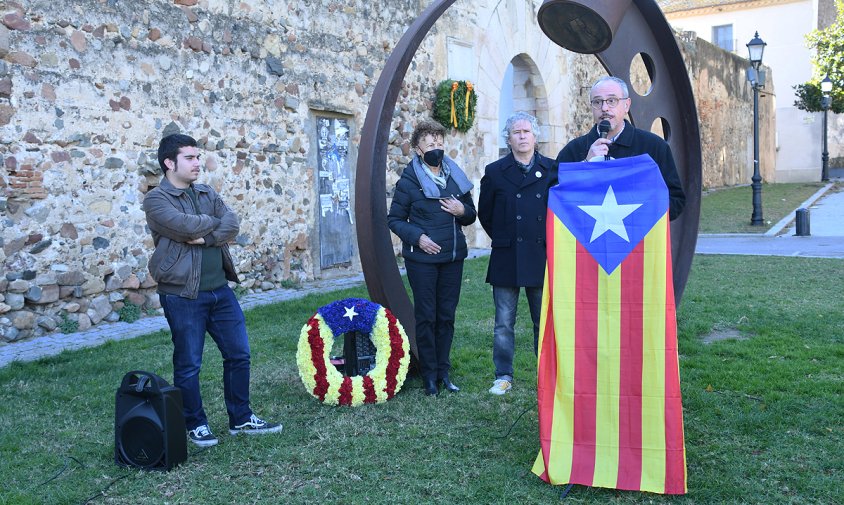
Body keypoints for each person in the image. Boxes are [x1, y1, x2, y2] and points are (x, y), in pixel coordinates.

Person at [143, 133, 281, 447]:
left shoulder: (206, 191)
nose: (197, 163)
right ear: (169, 163)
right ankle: (195, 424)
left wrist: (205, 236)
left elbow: (231, 223)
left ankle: (241, 418)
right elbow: (182, 226)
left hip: (220, 290)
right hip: (182, 294)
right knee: (189, 362)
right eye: (190, 157)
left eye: (197, 156)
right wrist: (210, 224)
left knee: (239, 354)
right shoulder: (156, 200)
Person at [387, 119, 477, 396]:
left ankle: (443, 372)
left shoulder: (455, 177)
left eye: (439, 143)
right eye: (430, 144)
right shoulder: (409, 181)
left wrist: (461, 210)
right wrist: (417, 237)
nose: (436, 148)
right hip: (422, 261)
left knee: (446, 316)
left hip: (452, 257)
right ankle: (428, 375)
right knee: (427, 316)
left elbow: (471, 215)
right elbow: (394, 219)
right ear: (417, 149)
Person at [478, 112, 558, 396]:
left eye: (526, 131)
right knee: (503, 323)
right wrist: (505, 237)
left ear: (535, 136)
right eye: (516, 132)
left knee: (543, 321)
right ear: (508, 138)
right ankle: (503, 375)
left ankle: (546, 375)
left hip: (541, 255)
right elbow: (485, 213)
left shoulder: (552, 170)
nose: (522, 136)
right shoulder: (495, 171)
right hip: (507, 254)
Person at [557, 76, 686, 220]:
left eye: (612, 101)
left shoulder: (653, 147)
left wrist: (637, 211)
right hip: (587, 240)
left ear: (626, 105)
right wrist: (585, 165)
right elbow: (554, 198)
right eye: (597, 102)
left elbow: (676, 201)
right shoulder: (573, 151)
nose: (604, 108)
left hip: (637, 238)